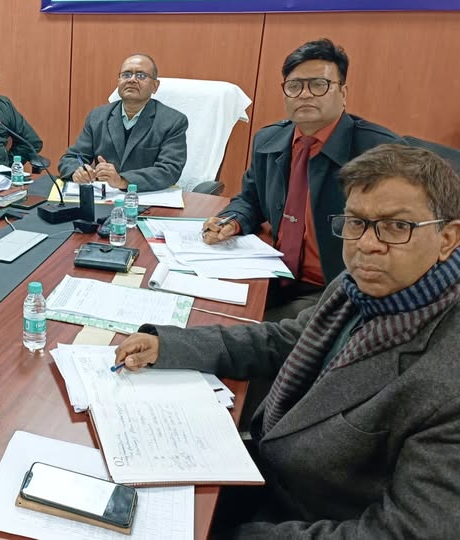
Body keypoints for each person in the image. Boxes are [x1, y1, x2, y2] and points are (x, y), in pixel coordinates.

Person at [115, 144, 460, 538]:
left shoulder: (447, 377)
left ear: (448, 238)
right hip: (265, 470)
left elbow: (405, 532)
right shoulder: (361, 287)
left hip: (305, 520)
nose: (367, 244)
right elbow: (283, 340)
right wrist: (170, 346)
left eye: (397, 226)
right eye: (356, 222)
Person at [202, 39, 403, 321]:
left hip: (337, 287)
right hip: (273, 272)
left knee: (239, 330)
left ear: (343, 93)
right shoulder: (269, 140)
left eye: (319, 84)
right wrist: (232, 221)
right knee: (202, 307)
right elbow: (250, 199)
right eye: (295, 86)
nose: (305, 94)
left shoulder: (380, 152)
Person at [57, 54, 188, 192]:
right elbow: (71, 158)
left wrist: (122, 181)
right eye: (126, 75)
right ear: (119, 81)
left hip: (148, 197)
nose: (132, 80)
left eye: (141, 75)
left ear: (155, 86)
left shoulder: (172, 121)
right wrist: (77, 171)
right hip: (104, 197)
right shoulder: (97, 116)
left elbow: (169, 170)